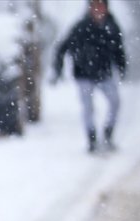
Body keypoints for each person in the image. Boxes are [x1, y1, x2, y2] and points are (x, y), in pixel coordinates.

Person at [51, 0, 127, 153]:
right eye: (94, 6)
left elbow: (119, 50)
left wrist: (122, 67)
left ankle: (108, 133)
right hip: (83, 75)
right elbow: (62, 48)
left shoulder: (112, 27)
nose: (98, 9)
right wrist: (58, 69)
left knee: (115, 102)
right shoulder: (81, 27)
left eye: (101, 6)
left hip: (105, 74)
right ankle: (91, 138)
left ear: (106, 8)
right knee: (88, 107)